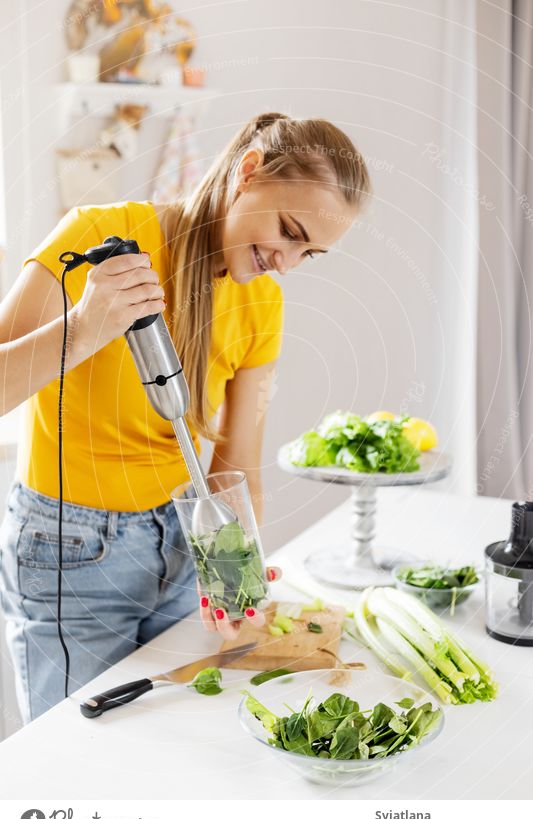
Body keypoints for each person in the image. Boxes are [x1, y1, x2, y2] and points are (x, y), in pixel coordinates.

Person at [0, 112, 370, 723]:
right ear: (248, 173)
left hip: (182, 542)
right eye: (288, 230)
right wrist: (89, 327)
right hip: (70, 550)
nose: (288, 261)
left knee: (171, 739)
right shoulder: (102, 232)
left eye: (310, 251)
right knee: (77, 759)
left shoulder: (263, 301)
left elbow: (236, 462)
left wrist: (235, 579)